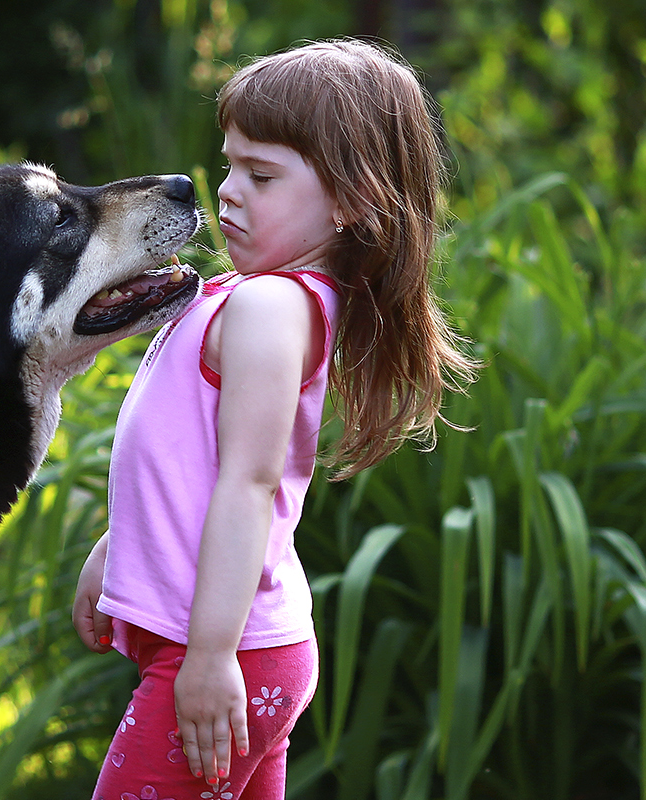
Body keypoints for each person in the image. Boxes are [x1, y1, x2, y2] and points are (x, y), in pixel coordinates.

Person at [72, 39, 479, 800]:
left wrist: (209, 655)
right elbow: (183, 464)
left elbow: (248, 485)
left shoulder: (270, 306)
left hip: (224, 648)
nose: (227, 191)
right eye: (228, 164)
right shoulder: (245, 293)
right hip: (242, 647)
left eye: (260, 175)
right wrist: (116, 548)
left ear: (353, 200)